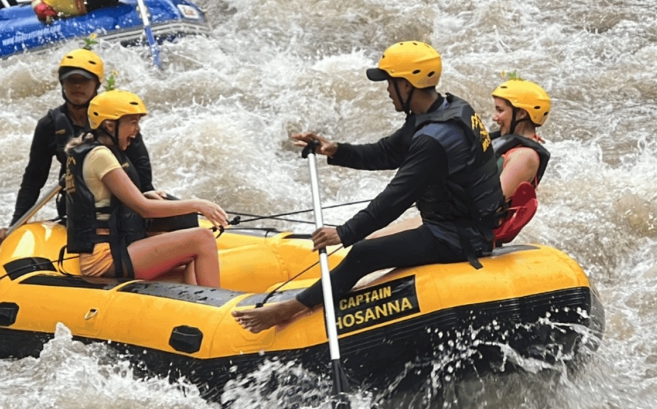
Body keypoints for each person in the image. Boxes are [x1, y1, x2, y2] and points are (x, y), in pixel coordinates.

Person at [234, 41, 506, 333]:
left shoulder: (435, 141)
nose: (387, 91)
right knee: (370, 245)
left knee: (364, 252)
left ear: (407, 85)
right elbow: (388, 152)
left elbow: (394, 199)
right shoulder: (447, 109)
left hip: (457, 237)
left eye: (390, 83)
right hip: (461, 224)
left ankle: (287, 310)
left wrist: (343, 233)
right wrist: (336, 150)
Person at [0, 48, 156, 248]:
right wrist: (15, 225)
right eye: (71, 80)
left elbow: (142, 171)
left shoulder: (116, 119)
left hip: (121, 200)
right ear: (62, 84)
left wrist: (148, 204)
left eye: (84, 80)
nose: (77, 86)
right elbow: (33, 179)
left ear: (97, 84)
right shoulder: (49, 124)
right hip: (79, 205)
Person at [61, 91, 228, 284]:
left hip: (115, 247)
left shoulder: (93, 151)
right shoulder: (100, 156)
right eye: (132, 122)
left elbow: (105, 195)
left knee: (191, 259)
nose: (137, 129)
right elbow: (145, 209)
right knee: (203, 238)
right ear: (109, 125)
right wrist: (198, 205)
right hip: (103, 259)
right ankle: (216, 305)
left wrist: (143, 193)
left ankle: (203, 308)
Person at [489, 77, 552, 243]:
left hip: (472, 234)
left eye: (500, 110)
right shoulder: (506, 145)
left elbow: (489, 204)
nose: (494, 117)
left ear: (522, 113)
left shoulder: (524, 156)